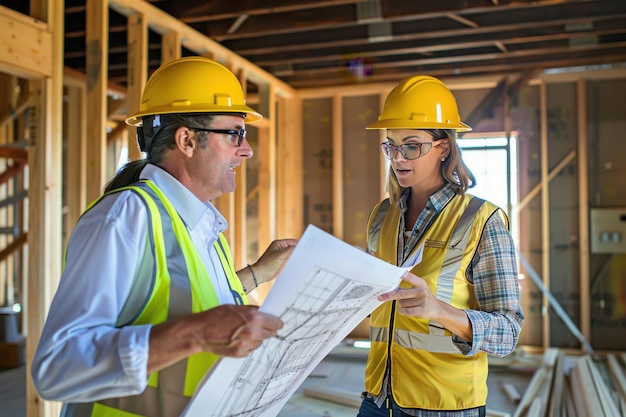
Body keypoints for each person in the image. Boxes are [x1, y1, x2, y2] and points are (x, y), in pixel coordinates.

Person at [31, 56, 298, 417]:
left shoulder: (205, 226)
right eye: (235, 132)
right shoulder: (125, 218)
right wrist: (194, 335)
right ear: (187, 140)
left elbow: (180, 304)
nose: (247, 149)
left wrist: (259, 273)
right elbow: (57, 370)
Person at [358, 75, 524, 417]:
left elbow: (507, 333)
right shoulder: (381, 216)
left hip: (443, 407)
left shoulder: (482, 220)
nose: (398, 157)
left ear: (443, 147)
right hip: (378, 399)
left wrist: (439, 311)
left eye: (412, 145)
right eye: (390, 145)